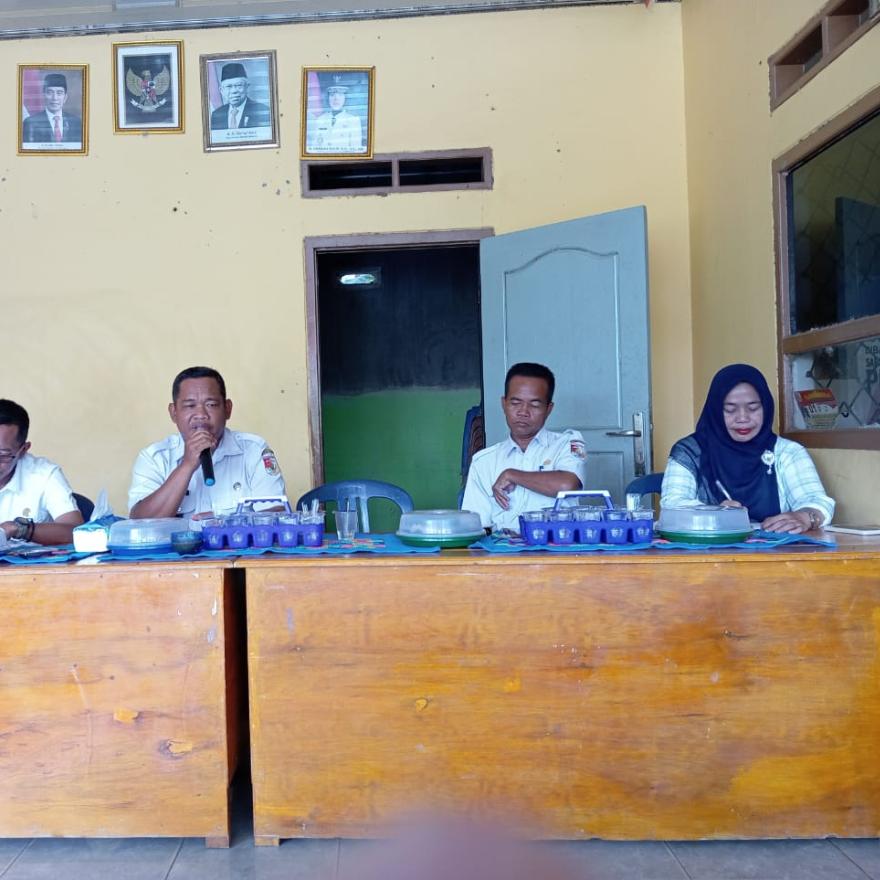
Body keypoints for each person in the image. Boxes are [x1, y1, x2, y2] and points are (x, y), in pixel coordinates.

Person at [661, 363, 835, 533]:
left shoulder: (788, 452)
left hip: (775, 550)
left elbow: (817, 501)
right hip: (705, 549)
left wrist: (805, 517)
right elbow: (672, 505)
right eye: (730, 409)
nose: (743, 418)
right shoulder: (690, 452)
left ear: (766, 407)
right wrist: (713, 513)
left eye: (753, 408)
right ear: (715, 411)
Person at [128, 366, 286, 519]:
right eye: (190, 406)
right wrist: (187, 465)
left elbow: (278, 513)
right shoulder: (154, 458)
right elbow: (140, 521)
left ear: (227, 409)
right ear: (173, 412)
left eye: (211, 405)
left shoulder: (254, 450)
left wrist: (224, 520)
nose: (201, 415)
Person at [461, 363, 586, 532]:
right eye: (515, 403)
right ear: (504, 404)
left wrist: (512, 475)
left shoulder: (568, 443)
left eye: (534, 405)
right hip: (502, 547)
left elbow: (568, 485)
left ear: (548, 409)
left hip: (558, 546)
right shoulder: (483, 462)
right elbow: (476, 526)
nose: (523, 412)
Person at [0, 399, 84, 545]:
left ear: (23, 450)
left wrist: (20, 529)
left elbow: (76, 533)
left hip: (25, 560)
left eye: (2, 454)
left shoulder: (44, 475)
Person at [22, 72, 82, 145]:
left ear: (65, 98)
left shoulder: (76, 123)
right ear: (44, 96)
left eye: (59, 93)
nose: (54, 98)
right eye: (50, 92)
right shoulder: (30, 123)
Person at [307, 78, 364, 153]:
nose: (336, 99)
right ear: (328, 98)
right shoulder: (320, 119)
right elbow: (314, 148)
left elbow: (356, 151)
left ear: (345, 98)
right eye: (332, 95)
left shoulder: (353, 121)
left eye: (340, 95)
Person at [210, 62, 270, 131]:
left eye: (239, 85)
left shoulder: (262, 111)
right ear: (221, 90)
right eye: (228, 86)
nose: (234, 91)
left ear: (247, 87)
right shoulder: (216, 115)